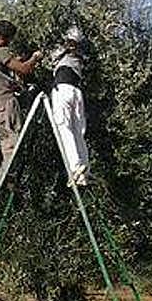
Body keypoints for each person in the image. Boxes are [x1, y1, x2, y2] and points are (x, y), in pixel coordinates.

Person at [0, 19, 42, 181]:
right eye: (10, 38)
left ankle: (4, 173)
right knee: (14, 138)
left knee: (6, 138)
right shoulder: (1, 51)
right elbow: (25, 69)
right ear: (3, 37)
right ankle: (7, 174)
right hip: (6, 103)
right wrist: (35, 57)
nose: (11, 42)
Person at [50, 26, 89, 186]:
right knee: (78, 131)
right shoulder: (80, 56)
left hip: (63, 89)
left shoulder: (64, 52)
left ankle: (75, 168)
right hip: (77, 92)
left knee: (64, 128)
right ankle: (84, 171)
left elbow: (51, 57)